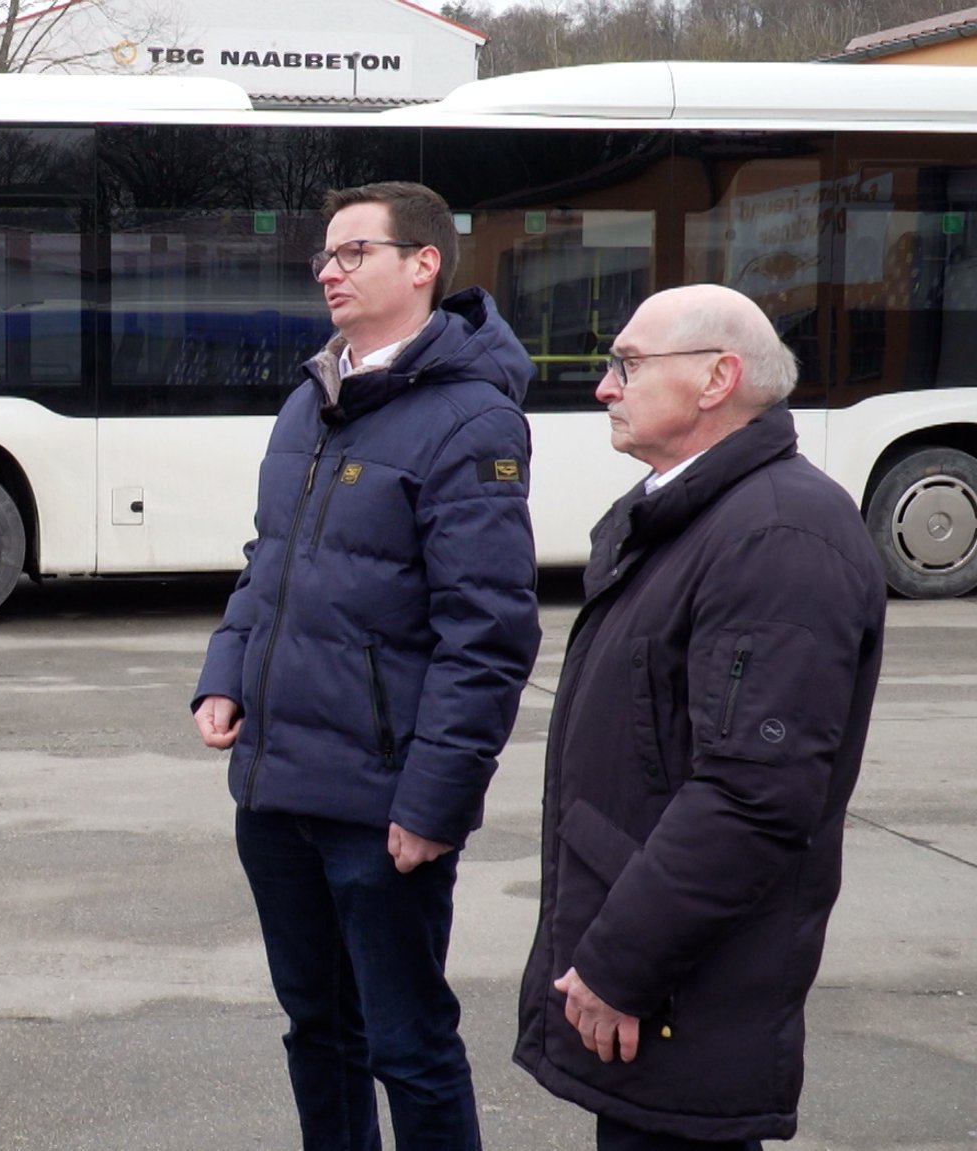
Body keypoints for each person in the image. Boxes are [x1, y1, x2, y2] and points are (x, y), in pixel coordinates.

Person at [193, 181, 542, 1150]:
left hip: (381, 807)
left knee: (407, 1043)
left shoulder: (469, 419)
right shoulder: (310, 397)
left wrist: (432, 801)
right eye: (324, 254)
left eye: (352, 252)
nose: (327, 270)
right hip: (275, 790)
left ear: (421, 263)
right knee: (317, 1030)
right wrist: (224, 669)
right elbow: (269, 558)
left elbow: (489, 633)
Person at [513, 284, 887, 1150]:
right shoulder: (702, 514)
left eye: (628, 364)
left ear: (718, 377)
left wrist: (620, 965)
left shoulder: (780, 535)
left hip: (684, 986)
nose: (606, 386)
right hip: (663, 971)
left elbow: (752, 797)